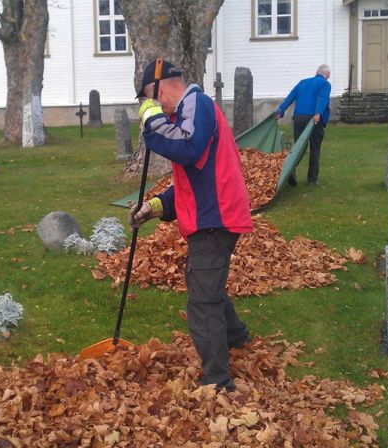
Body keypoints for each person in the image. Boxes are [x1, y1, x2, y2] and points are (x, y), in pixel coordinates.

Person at [129, 59, 253, 392]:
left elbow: (186, 148)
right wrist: (153, 207)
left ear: (163, 85)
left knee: (202, 301)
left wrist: (151, 119)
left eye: (149, 97)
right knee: (206, 282)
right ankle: (238, 337)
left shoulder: (196, 103)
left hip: (217, 218)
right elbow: (190, 180)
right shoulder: (187, 112)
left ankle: (218, 381)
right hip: (215, 214)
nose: (152, 106)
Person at [274, 64, 331, 186]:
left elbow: (291, 97)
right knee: (315, 149)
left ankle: (290, 172)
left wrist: (280, 111)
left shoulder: (303, 82)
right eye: (328, 75)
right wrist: (318, 113)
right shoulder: (325, 84)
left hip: (299, 118)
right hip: (313, 119)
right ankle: (312, 180)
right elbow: (322, 99)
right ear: (326, 74)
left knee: (298, 148)